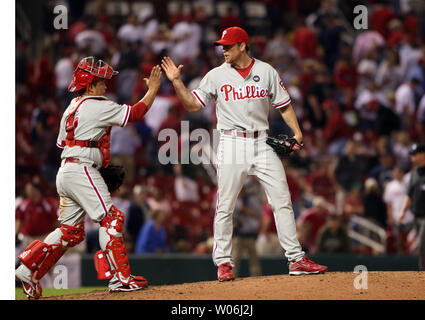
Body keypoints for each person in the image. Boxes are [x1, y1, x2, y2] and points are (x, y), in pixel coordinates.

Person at [161, 26, 328, 281]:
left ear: (242, 46)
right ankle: (224, 263)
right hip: (231, 143)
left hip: (262, 142)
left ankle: (295, 258)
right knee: (225, 204)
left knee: (282, 198)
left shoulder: (266, 71)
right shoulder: (216, 75)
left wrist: (297, 132)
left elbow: (283, 105)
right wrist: (176, 81)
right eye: (222, 46)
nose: (223, 49)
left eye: (228, 45)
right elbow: (193, 105)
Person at [15, 56, 163, 298]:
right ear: (91, 84)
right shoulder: (97, 104)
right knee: (112, 218)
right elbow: (134, 114)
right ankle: (121, 278)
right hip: (81, 168)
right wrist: (153, 89)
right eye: (102, 81)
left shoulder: (70, 108)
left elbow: (63, 142)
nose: (106, 86)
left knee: (70, 231)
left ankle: (28, 270)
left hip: (66, 171)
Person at [399, 143, 425, 270]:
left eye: (414, 154)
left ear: (422, 154)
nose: (412, 157)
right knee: (421, 245)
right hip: (417, 216)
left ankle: (423, 272)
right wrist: (403, 211)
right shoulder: (414, 173)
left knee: (421, 244)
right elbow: (409, 195)